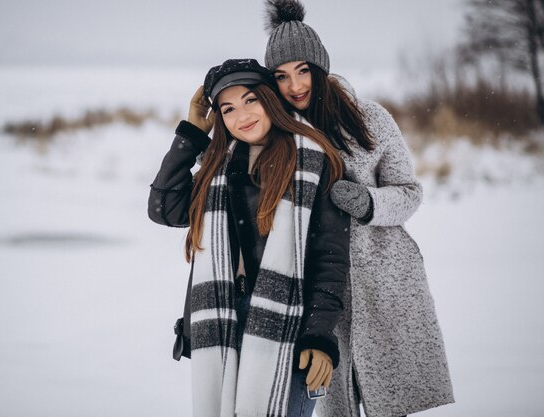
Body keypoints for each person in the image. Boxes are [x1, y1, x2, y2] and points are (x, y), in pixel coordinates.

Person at [259, 1, 455, 417]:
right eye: (281, 75)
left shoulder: (370, 119)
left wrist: (369, 203)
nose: (294, 85)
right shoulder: (277, 135)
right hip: (318, 290)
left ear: (320, 67)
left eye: (302, 70)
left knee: (390, 404)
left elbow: (409, 192)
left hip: (384, 281)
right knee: (331, 406)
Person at [148, 58, 351, 417]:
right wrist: (192, 134)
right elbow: (164, 208)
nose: (241, 116)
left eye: (250, 100)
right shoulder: (219, 168)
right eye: (227, 109)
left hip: (290, 326)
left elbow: (330, 260)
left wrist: (318, 337)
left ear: (270, 99)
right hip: (226, 320)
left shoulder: (315, 162)